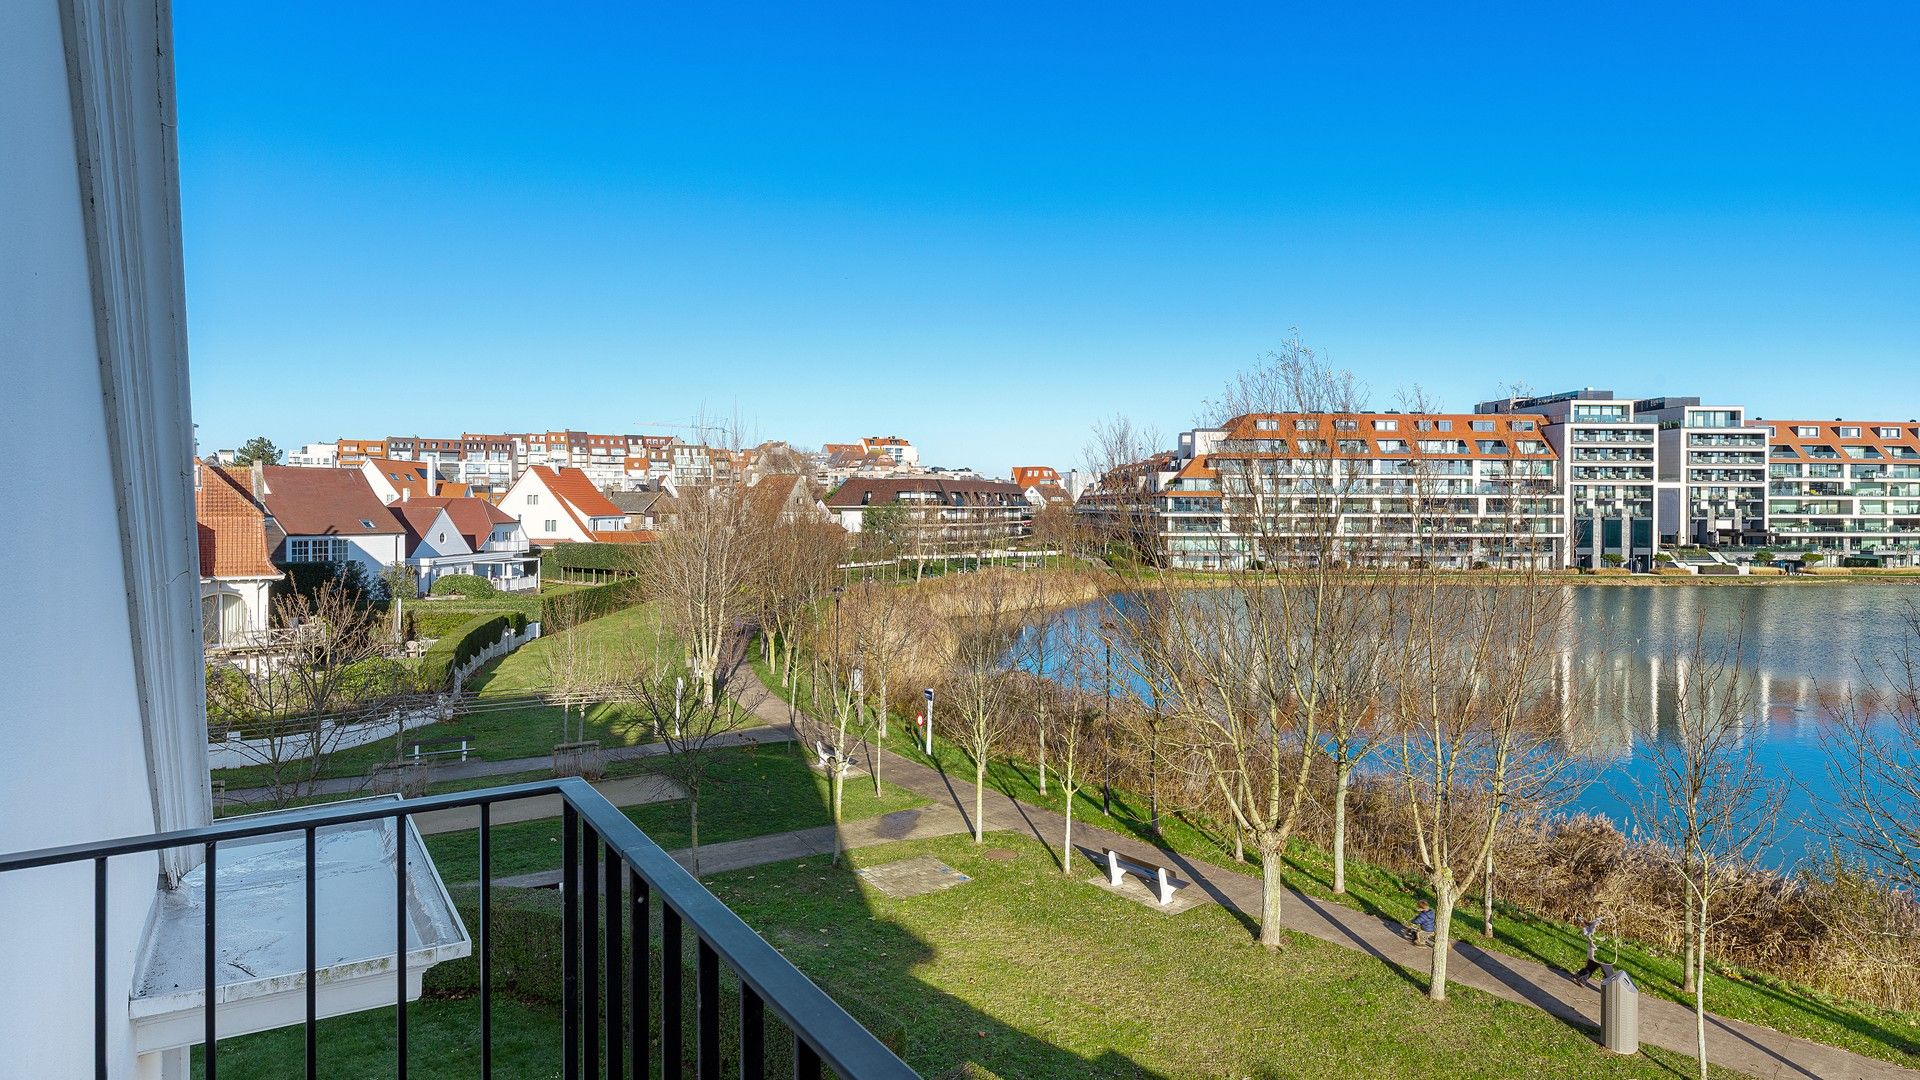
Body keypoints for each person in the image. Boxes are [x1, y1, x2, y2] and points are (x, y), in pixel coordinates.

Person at [1575, 913, 1606, 985]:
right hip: (1598, 949)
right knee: (1592, 964)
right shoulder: (1599, 919)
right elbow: (1590, 924)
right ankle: (1581, 977)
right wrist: (1583, 920)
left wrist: (1583, 923)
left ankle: (1581, 977)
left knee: (1594, 964)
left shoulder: (1600, 923)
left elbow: (1591, 934)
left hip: (1598, 948)